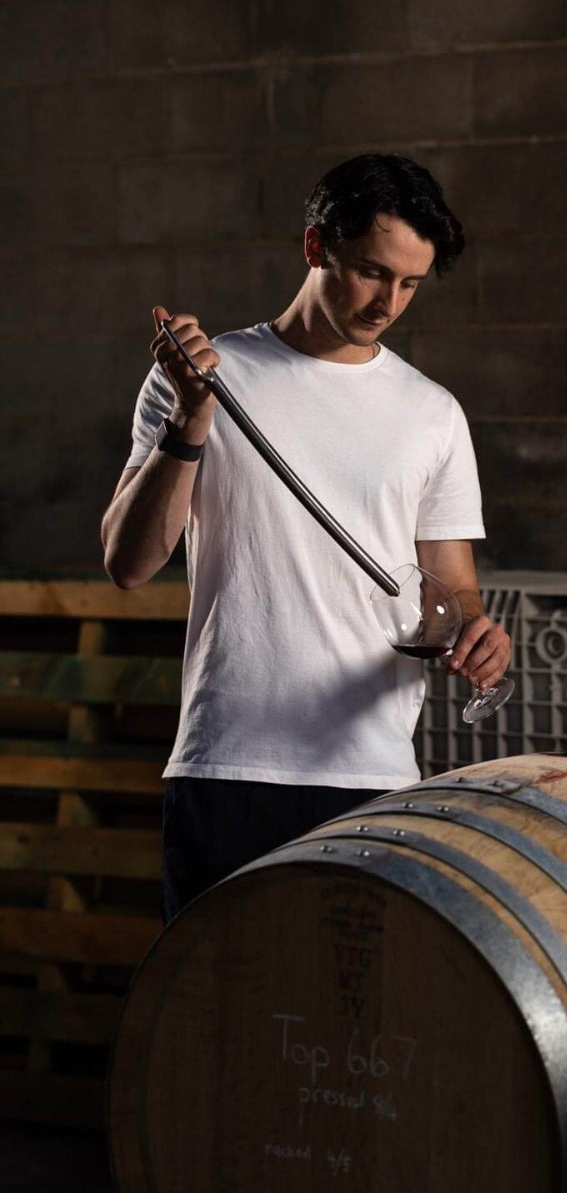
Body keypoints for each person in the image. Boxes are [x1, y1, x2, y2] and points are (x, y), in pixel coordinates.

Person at [100, 154, 511, 922]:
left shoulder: (432, 412)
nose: (388, 302)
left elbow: (452, 592)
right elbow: (129, 562)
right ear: (316, 247)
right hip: (230, 763)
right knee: (214, 1015)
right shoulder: (206, 377)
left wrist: (477, 634)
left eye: (410, 284)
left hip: (373, 771)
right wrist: (191, 419)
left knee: (348, 1032)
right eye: (372, 272)